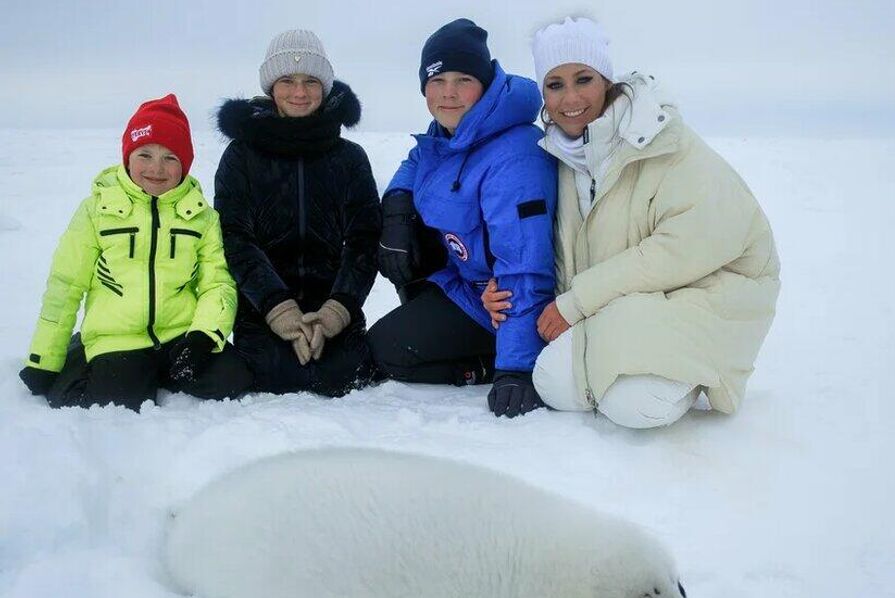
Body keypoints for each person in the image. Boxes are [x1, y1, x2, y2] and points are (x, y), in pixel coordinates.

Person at [482, 17, 780, 428]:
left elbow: (680, 249)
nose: (570, 97)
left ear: (606, 79)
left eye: (583, 79)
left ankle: (694, 373)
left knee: (633, 404)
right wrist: (495, 290)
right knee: (553, 383)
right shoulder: (565, 155)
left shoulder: (663, 141)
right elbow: (564, 250)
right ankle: (638, 358)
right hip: (626, 303)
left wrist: (577, 303)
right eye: (555, 84)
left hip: (708, 292)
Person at [369, 18, 558, 418]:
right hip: (469, 285)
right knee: (385, 336)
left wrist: (516, 369)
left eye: (463, 80)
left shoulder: (514, 156)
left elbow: (525, 266)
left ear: (485, 85)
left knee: (389, 352)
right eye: (437, 81)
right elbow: (419, 159)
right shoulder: (450, 132)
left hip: (503, 304)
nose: (449, 94)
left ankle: (489, 363)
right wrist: (398, 207)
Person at [19, 94, 250, 412]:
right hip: (119, 337)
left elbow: (217, 283)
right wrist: (44, 358)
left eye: (171, 157)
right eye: (145, 155)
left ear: (185, 164)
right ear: (127, 157)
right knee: (119, 402)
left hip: (178, 334)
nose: (157, 168)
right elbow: (65, 285)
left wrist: (203, 336)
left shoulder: (202, 216)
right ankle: (81, 352)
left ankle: (162, 368)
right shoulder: (96, 211)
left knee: (233, 379)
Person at [214, 29, 381, 397]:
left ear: (325, 86)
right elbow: (235, 239)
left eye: (310, 81)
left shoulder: (350, 159)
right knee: (270, 375)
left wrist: (337, 310)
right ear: (271, 86)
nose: (299, 92)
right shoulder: (241, 157)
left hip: (334, 308)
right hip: (264, 311)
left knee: (344, 376)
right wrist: (278, 309)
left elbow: (364, 241)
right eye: (287, 81)